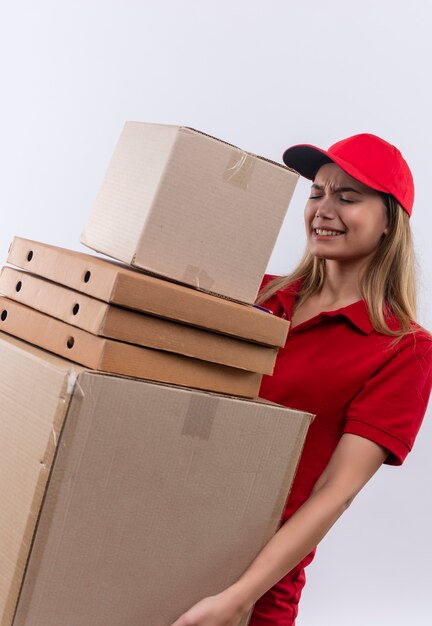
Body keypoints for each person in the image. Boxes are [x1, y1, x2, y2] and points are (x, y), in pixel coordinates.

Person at [170, 133, 432, 626]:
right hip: (165, 539)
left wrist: (238, 598)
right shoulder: (256, 294)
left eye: (348, 197)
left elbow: (336, 488)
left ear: (388, 224)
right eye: (317, 193)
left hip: (255, 587)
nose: (324, 209)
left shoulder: (405, 349)